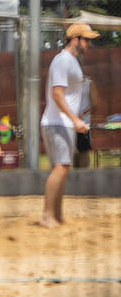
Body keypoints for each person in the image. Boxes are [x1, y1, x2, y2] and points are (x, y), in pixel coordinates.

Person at [40, 22, 100, 228]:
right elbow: (57, 94)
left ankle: (57, 215)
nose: (90, 44)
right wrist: (75, 120)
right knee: (61, 168)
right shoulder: (63, 60)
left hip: (61, 123)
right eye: (87, 40)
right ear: (75, 39)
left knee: (62, 168)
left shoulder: (71, 61)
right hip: (58, 123)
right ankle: (47, 215)